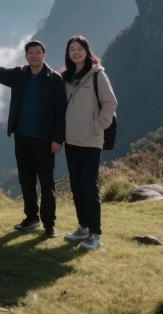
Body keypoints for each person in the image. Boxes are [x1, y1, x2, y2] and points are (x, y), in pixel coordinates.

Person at [0, 31, 67, 237]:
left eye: (38, 52)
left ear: (44, 55)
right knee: (26, 180)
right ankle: (32, 218)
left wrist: (58, 139)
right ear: (26, 56)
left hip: (44, 140)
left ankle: (49, 224)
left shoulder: (54, 79)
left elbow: (61, 112)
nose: (34, 56)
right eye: (30, 53)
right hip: (22, 138)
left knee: (46, 183)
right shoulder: (19, 75)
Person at [61, 34, 117, 251]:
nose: (75, 53)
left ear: (87, 51)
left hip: (92, 141)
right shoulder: (66, 77)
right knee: (76, 185)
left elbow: (110, 103)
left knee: (89, 186)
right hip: (71, 140)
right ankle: (83, 227)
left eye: (79, 49)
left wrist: (98, 126)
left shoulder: (97, 75)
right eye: (72, 49)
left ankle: (95, 233)